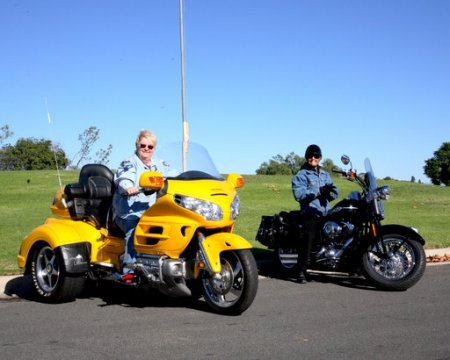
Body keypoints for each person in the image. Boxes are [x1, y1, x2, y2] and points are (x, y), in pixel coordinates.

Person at [112, 129, 172, 276]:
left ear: (154, 148)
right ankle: (129, 270)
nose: (146, 149)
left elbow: (175, 174)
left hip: (152, 212)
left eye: (150, 146)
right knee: (135, 232)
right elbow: (123, 178)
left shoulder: (159, 163)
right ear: (137, 145)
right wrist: (128, 187)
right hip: (128, 212)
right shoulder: (129, 162)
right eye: (143, 145)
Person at [291, 144, 338, 283]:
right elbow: (298, 195)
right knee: (309, 236)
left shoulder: (325, 174)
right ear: (306, 157)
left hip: (325, 212)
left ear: (320, 157)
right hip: (309, 212)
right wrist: (318, 192)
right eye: (310, 156)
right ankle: (301, 271)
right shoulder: (301, 175)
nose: (313, 158)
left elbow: (334, 193)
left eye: (316, 156)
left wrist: (331, 191)